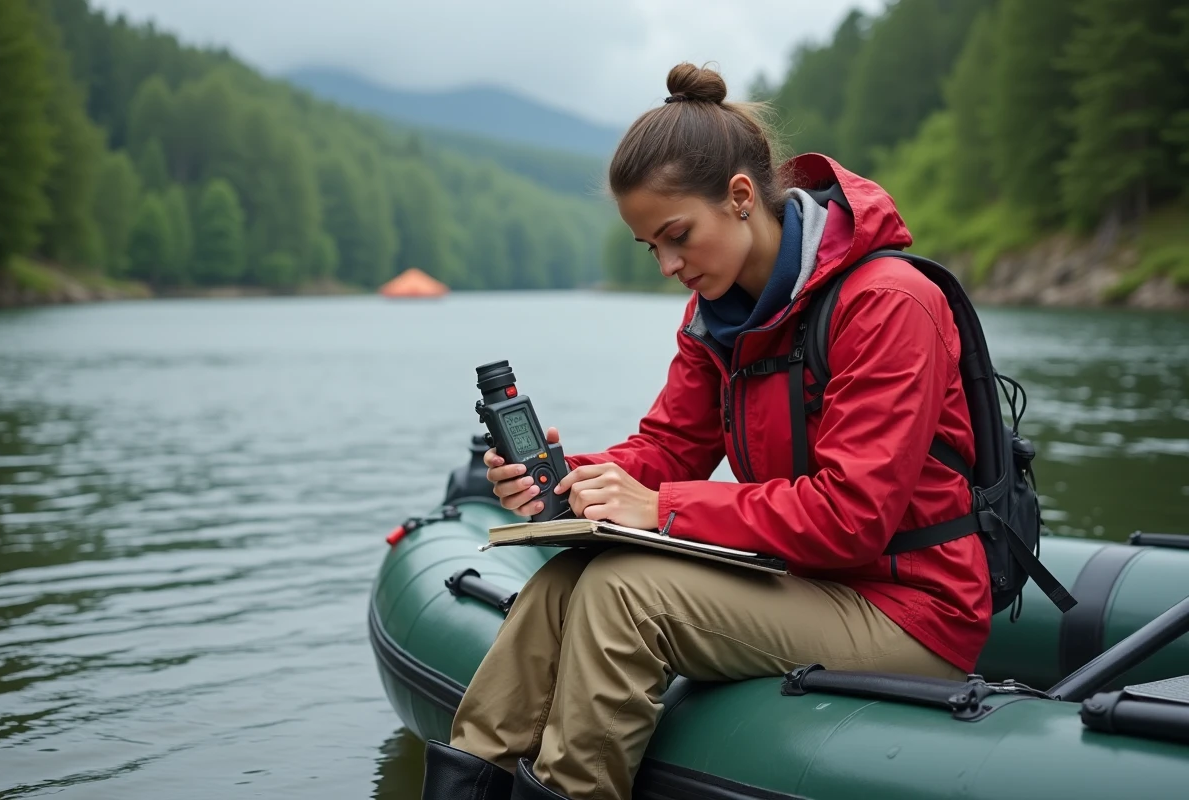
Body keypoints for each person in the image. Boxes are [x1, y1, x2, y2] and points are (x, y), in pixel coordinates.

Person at [421, 62, 991, 800]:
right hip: (802, 584)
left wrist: (661, 510)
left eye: (676, 236)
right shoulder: (717, 318)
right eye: (648, 247)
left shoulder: (888, 305)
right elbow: (666, 449)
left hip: (910, 610)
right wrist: (568, 478)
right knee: (564, 582)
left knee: (625, 594)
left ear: (742, 197)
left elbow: (851, 517)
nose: (666, 265)